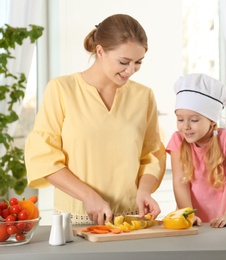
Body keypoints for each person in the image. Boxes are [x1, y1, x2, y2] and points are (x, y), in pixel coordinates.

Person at [25, 14, 166, 225]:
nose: (131, 70)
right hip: (75, 219)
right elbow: (43, 157)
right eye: (124, 62)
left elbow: (152, 155)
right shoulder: (62, 90)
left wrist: (145, 191)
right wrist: (88, 196)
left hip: (132, 220)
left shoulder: (143, 96)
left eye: (138, 62)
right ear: (100, 51)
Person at [166, 73, 226, 228]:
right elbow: (179, 182)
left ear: (211, 121)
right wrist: (187, 214)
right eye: (180, 119)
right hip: (191, 222)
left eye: (194, 120)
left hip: (223, 222)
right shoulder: (178, 140)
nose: (186, 126)